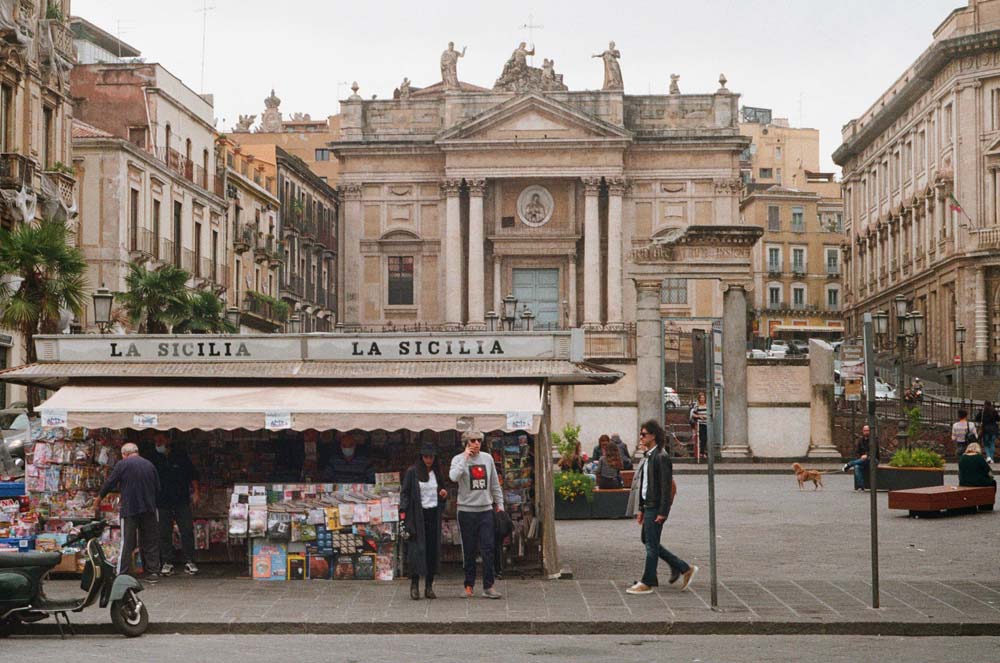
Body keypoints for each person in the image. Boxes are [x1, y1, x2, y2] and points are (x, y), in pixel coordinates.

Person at [625, 420, 696, 595]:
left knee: (650, 544)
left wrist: (663, 512)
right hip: (648, 506)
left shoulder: (661, 457)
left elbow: (665, 487)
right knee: (649, 541)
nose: (641, 438)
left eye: (643, 434)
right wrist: (641, 509)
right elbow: (645, 486)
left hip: (656, 507)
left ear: (653, 436)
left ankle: (648, 581)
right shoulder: (648, 456)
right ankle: (682, 567)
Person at [449, 430, 504, 599]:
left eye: (479, 440)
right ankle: (468, 585)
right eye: (473, 440)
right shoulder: (458, 459)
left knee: (488, 548)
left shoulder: (487, 458)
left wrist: (499, 504)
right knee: (469, 549)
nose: (476, 443)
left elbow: (494, 482)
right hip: (466, 511)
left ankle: (489, 585)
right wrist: (465, 458)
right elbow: (453, 477)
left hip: (485, 510)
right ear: (466, 442)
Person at [95, 442, 160, 578]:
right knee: (150, 540)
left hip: (130, 508)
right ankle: (153, 571)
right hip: (149, 508)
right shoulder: (149, 465)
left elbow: (110, 483)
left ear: (124, 454)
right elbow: (157, 487)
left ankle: (122, 572)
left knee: (127, 541)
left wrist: (99, 498)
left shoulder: (122, 465)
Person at [399, 442, 448, 600]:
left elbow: (442, 490)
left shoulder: (437, 473)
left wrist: (443, 495)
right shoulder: (412, 472)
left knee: (432, 551)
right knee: (416, 551)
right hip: (417, 516)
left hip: (433, 514)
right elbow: (405, 493)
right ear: (421, 457)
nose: (428, 460)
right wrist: (403, 513)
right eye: (426, 457)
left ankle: (429, 585)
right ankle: (414, 585)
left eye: (431, 457)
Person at [152, 433, 201, 576]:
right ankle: (167, 562)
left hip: (181, 500)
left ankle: (190, 561)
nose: (158, 443)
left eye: (161, 440)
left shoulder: (180, 456)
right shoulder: (154, 458)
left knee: (186, 530)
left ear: (168, 440)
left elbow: (193, 475)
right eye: (156, 441)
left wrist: (196, 492)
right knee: (163, 532)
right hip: (162, 501)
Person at [843, 424, 873, 491]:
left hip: (872, 460)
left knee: (866, 459)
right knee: (857, 467)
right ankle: (861, 486)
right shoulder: (860, 440)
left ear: (870, 431)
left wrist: (867, 455)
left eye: (867, 430)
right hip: (862, 461)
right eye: (865, 430)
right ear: (863, 431)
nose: (866, 432)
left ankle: (849, 464)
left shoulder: (874, 440)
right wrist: (861, 457)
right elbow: (857, 452)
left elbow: (874, 451)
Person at [690, 393, 708, 457]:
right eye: (701, 398)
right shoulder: (697, 406)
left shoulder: (707, 405)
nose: (702, 399)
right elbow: (693, 414)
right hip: (700, 423)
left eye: (703, 398)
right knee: (702, 438)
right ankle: (701, 452)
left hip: (706, 423)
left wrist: (706, 417)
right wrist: (699, 416)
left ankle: (702, 452)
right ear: (699, 399)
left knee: (705, 438)